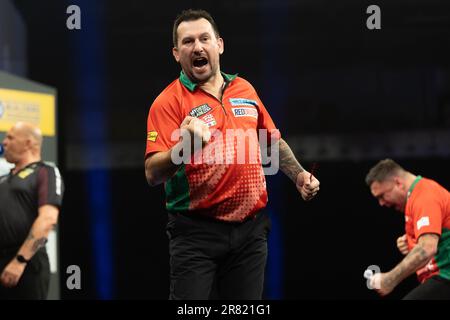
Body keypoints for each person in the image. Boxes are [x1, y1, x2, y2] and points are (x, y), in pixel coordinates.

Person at [144, 9, 320, 300]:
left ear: (219, 45)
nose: (197, 47)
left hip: (250, 232)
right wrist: (183, 147)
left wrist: (299, 174)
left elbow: (270, 140)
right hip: (195, 235)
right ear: (177, 53)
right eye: (188, 42)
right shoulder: (167, 103)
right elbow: (152, 173)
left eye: (204, 39)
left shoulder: (245, 88)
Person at [366, 159, 450, 299]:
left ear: (398, 183)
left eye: (381, 196)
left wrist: (390, 279)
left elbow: (427, 248)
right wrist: (411, 244)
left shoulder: (425, 195)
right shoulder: (416, 198)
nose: (381, 203)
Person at [0, 122, 64, 299]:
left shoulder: (45, 172)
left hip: (27, 263)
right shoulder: (4, 180)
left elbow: (48, 219)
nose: (4, 142)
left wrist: (20, 261)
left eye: (10, 137)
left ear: (29, 143)